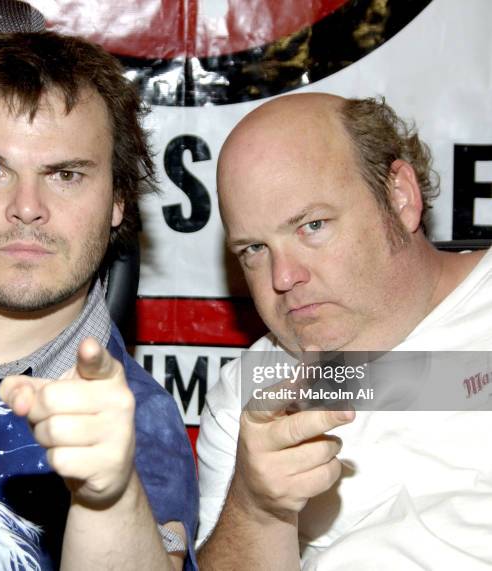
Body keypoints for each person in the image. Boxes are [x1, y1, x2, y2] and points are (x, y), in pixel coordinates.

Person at [0, 31, 198, 570]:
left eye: (66, 174)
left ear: (118, 201)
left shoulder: (132, 430)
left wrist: (110, 498)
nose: (26, 207)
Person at [196, 93, 492, 569]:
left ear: (399, 197)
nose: (283, 277)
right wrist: (257, 510)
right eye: (254, 248)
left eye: (313, 225)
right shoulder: (252, 394)